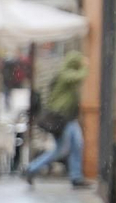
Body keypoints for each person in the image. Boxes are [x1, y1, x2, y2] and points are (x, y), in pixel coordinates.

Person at [24, 51, 90, 188]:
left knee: (76, 146)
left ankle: (76, 177)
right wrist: (85, 66)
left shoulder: (64, 74)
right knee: (62, 150)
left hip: (69, 118)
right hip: (62, 118)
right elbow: (79, 76)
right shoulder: (65, 74)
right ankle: (31, 168)